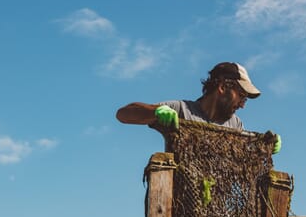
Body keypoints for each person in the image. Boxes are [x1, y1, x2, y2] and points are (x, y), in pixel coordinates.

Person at [116, 61, 280, 153]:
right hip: (177, 205)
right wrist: (155, 112)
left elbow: (247, 150)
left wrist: (266, 145)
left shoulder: (235, 125)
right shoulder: (182, 110)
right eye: (241, 96)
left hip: (218, 209)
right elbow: (123, 114)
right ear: (223, 87)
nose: (243, 105)